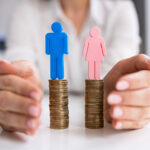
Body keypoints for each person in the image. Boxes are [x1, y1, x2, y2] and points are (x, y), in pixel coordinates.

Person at [1, 0, 149, 135]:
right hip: (57, 55)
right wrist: (18, 88)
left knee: (93, 72)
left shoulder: (120, 9)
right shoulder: (26, 11)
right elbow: (20, 62)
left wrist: (127, 90)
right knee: (57, 69)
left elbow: (111, 65)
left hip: (90, 59)